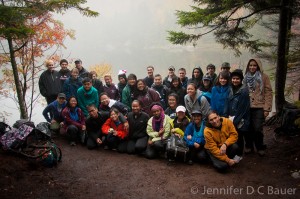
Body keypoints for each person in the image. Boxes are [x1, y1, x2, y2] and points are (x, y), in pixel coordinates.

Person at [243, 58, 273, 156]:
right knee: (247, 127)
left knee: (257, 128)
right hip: (247, 106)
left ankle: (260, 146)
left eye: (254, 65)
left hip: (259, 106)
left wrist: (267, 108)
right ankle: (249, 146)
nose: (252, 67)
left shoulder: (264, 77)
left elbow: (268, 92)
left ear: (258, 66)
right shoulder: (245, 77)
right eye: (250, 65)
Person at [226, 69, 250, 158]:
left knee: (239, 136)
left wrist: (235, 121)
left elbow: (243, 109)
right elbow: (228, 103)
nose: (235, 80)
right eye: (233, 78)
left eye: (237, 79)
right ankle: (233, 153)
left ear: (241, 80)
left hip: (240, 119)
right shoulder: (230, 89)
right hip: (231, 117)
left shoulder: (244, 91)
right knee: (233, 135)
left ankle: (239, 155)